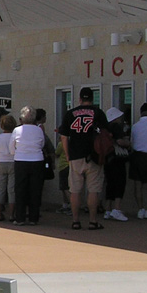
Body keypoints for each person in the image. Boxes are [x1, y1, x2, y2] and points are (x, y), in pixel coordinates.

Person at [59, 87, 109, 230]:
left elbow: (64, 136)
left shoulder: (70, 114)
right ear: (92, 99)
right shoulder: (98, 113)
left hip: (75, 155)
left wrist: (68, 155)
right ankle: (92, 221)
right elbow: (106, 134)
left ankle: (75, 221)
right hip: (94, 156)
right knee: (93, 190)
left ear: (80, 99)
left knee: (75, 190)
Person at [9, 106, 47, 226]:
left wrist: (17, 153)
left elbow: (11, 147)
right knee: (35, 190)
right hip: (37, 160)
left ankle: (20, 218)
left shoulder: (17, 130)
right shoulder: (39, 130)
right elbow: (42, 144)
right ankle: (33, 218)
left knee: (20, 189)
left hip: (21, 160)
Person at [102, 107, 130, 222]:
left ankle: (107, 209)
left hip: (107, 158)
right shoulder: (116, 127)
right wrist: (129, 143)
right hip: (117, 158)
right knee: (120, 182)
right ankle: (117, 209)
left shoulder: (104, 128)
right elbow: (119, 141)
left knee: (110, 183)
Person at [0, 113, 17, 221]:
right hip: (13, 162)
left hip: (0, 161)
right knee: (12, 189)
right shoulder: (15, 137)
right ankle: (12, 214)